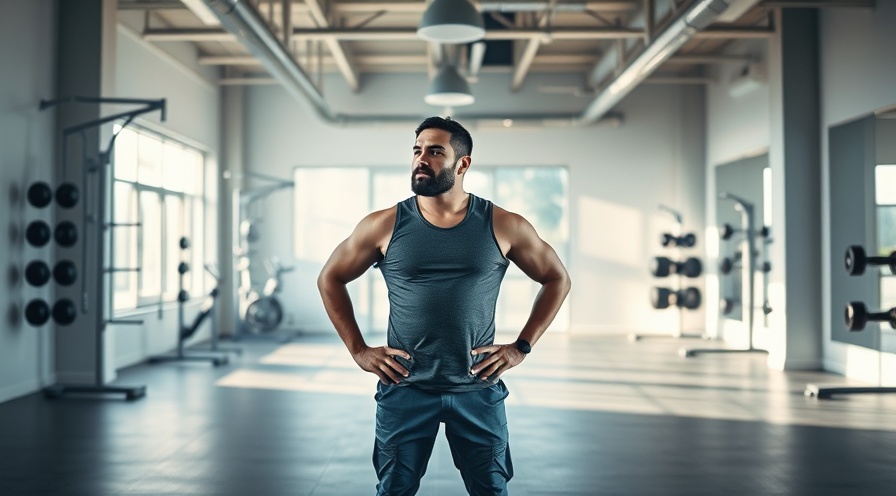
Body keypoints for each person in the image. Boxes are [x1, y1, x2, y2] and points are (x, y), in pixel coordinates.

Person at [317, 116, 571, 495]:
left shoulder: (503, 224)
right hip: (404, 387)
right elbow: (330, 278)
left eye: (436, 152)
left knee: (491, 490)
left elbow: (557, 278)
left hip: (478, 387)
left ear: (462, 164)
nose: (422, 159)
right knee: (393, 490)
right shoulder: (383, 224)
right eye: (417, 150)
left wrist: (521, 347)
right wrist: (358, 350)